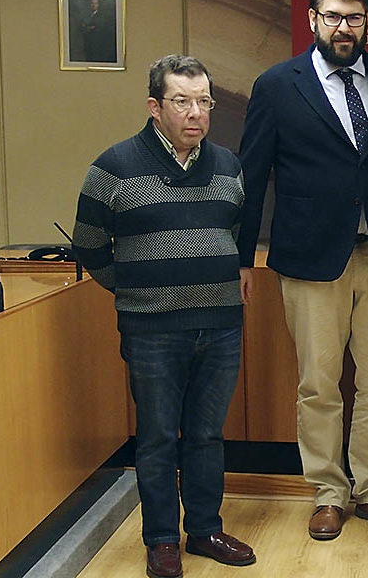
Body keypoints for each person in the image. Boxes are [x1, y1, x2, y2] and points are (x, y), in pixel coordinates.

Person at [236, 0, 368, 541]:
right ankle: (327, 492)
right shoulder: (277, 85)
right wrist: (241, 258)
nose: (345, 27)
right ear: (313, 20)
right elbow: (252, 174)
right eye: (334, 16)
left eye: (355, 18)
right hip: (310, 257)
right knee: (318, 385)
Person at [72, 55, 255, 578]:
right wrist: (136, 288)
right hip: (152, 330)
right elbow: (89, 245)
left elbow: (233, 231)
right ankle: (161, 539)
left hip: (220, 326)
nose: (196, 113)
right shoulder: (114, 167)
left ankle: (204, 529)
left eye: (204, 102)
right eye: (182, 102)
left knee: (206, 435)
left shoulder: (228, 165)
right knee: (156, 439)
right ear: (155, 107)